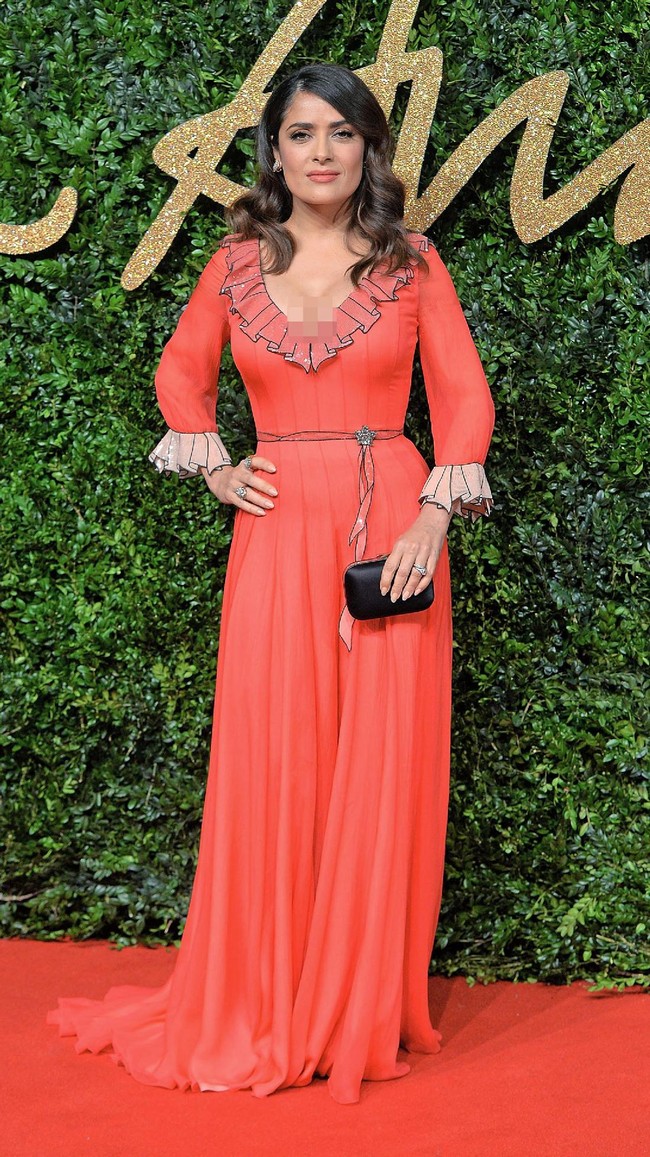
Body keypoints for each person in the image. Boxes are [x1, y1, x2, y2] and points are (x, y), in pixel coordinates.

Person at [46, 61, 495, 1105]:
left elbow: (462, 396)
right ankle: (263, 997)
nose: (322, 153)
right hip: (274, 527)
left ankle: (350, 1008)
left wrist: (434, 512)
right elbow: (177, 372)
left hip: (389, 529)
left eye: (341, 133)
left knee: (377, 773)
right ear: (274, 149)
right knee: (274, 761)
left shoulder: (411, 261)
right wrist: (211, 464)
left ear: (368, 148)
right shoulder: (233, 262)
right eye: (302, 134)